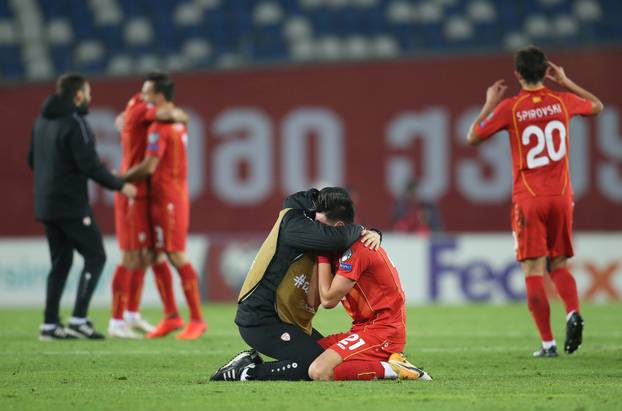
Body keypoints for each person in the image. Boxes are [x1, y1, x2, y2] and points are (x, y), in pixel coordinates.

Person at [466, 46, 604, 357]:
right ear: (546, 72)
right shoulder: (561, 100)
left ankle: (548, 344)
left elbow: (472, 137)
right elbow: (597, 106)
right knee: (559, 263)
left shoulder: (511, 108)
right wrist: (566, 82)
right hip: (562, 195)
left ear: (517, 74)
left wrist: (489, 105)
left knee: (533, 270)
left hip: (528, 198)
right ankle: (572, 312)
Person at [210, 187, 382, 381]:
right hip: (260, 320)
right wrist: (363, 230)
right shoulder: (294, 224)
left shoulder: (303, 219)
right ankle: (244, 372)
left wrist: (373, 233)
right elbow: (338, 237)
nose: (318, 225)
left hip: (288, 322)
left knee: (330, 362)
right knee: (314, 367)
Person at [28, 73, 137, 341]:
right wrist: (120, 185)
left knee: (60, 262)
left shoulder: (42, 120)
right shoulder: (76, 122)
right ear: (78, 94)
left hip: (46, 204)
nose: (90, 98)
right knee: (96, 255)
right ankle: (78, 319)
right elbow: (89, 165)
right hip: (70, 205)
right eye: (87, 93)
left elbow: (33, 160)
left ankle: (50, 325)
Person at [123, 75, 207, 340]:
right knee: (157, 254)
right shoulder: (176, 122)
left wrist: (118, 178)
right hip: (166, 195)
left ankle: (196, 319)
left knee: (175, 254)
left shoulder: (160, 126)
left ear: (159, 95)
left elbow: (149, 165)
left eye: (147, 92)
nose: (143, 96)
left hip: (168, 198)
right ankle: (172, 316)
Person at [308, 201, 431, 381]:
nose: (316, 230)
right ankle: (382, 364)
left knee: (319, 371)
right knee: (307, 357)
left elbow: (327, 301)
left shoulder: (358, 249)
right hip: (362, 329)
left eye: (320, 224)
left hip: (383, 330)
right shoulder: (342, 246)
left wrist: (321, 254)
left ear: (339, 226)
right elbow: (313, 301)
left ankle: (394, 369)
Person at [109, 72, 188, 339]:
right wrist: (180, 116)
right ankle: (116, 320)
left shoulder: (136, 105)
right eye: (143, 91)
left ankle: (131, 314)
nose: (144, 94)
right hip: (132, 190)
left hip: (142, 191)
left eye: (147, 90)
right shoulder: (145, 110)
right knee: (131, 256)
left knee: (143, 256)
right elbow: (174, 116)